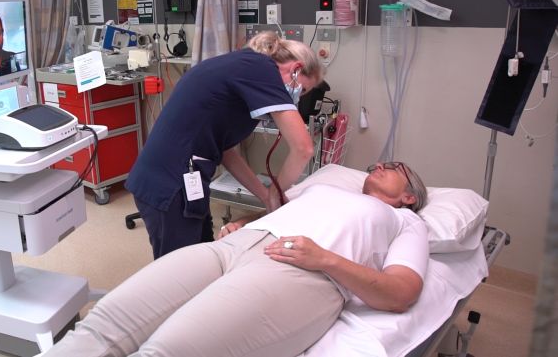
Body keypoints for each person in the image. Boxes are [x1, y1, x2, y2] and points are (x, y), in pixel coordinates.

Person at [46, 161, 429, 357]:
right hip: (231, 248)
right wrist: (245, 221)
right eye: (378, 163)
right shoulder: (324, 187)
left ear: (410, 195)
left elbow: (401, 292)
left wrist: (326, 260)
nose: (379, 165)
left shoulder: (405, 221)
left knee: (164, 352)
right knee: (102, 326)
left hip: (303, 273)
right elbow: (277, 212)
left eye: (393, 166)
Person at [126, 31, 324, 259]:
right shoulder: (261, 69)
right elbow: (304, 148)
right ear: (296, 68)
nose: (297, 97)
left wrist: (267, 196)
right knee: (178, 272)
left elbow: (226, 152)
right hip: (168, 184)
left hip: (179, 179)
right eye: (303, 89)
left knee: (201, 257)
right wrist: (276, 191)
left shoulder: (243, 66)